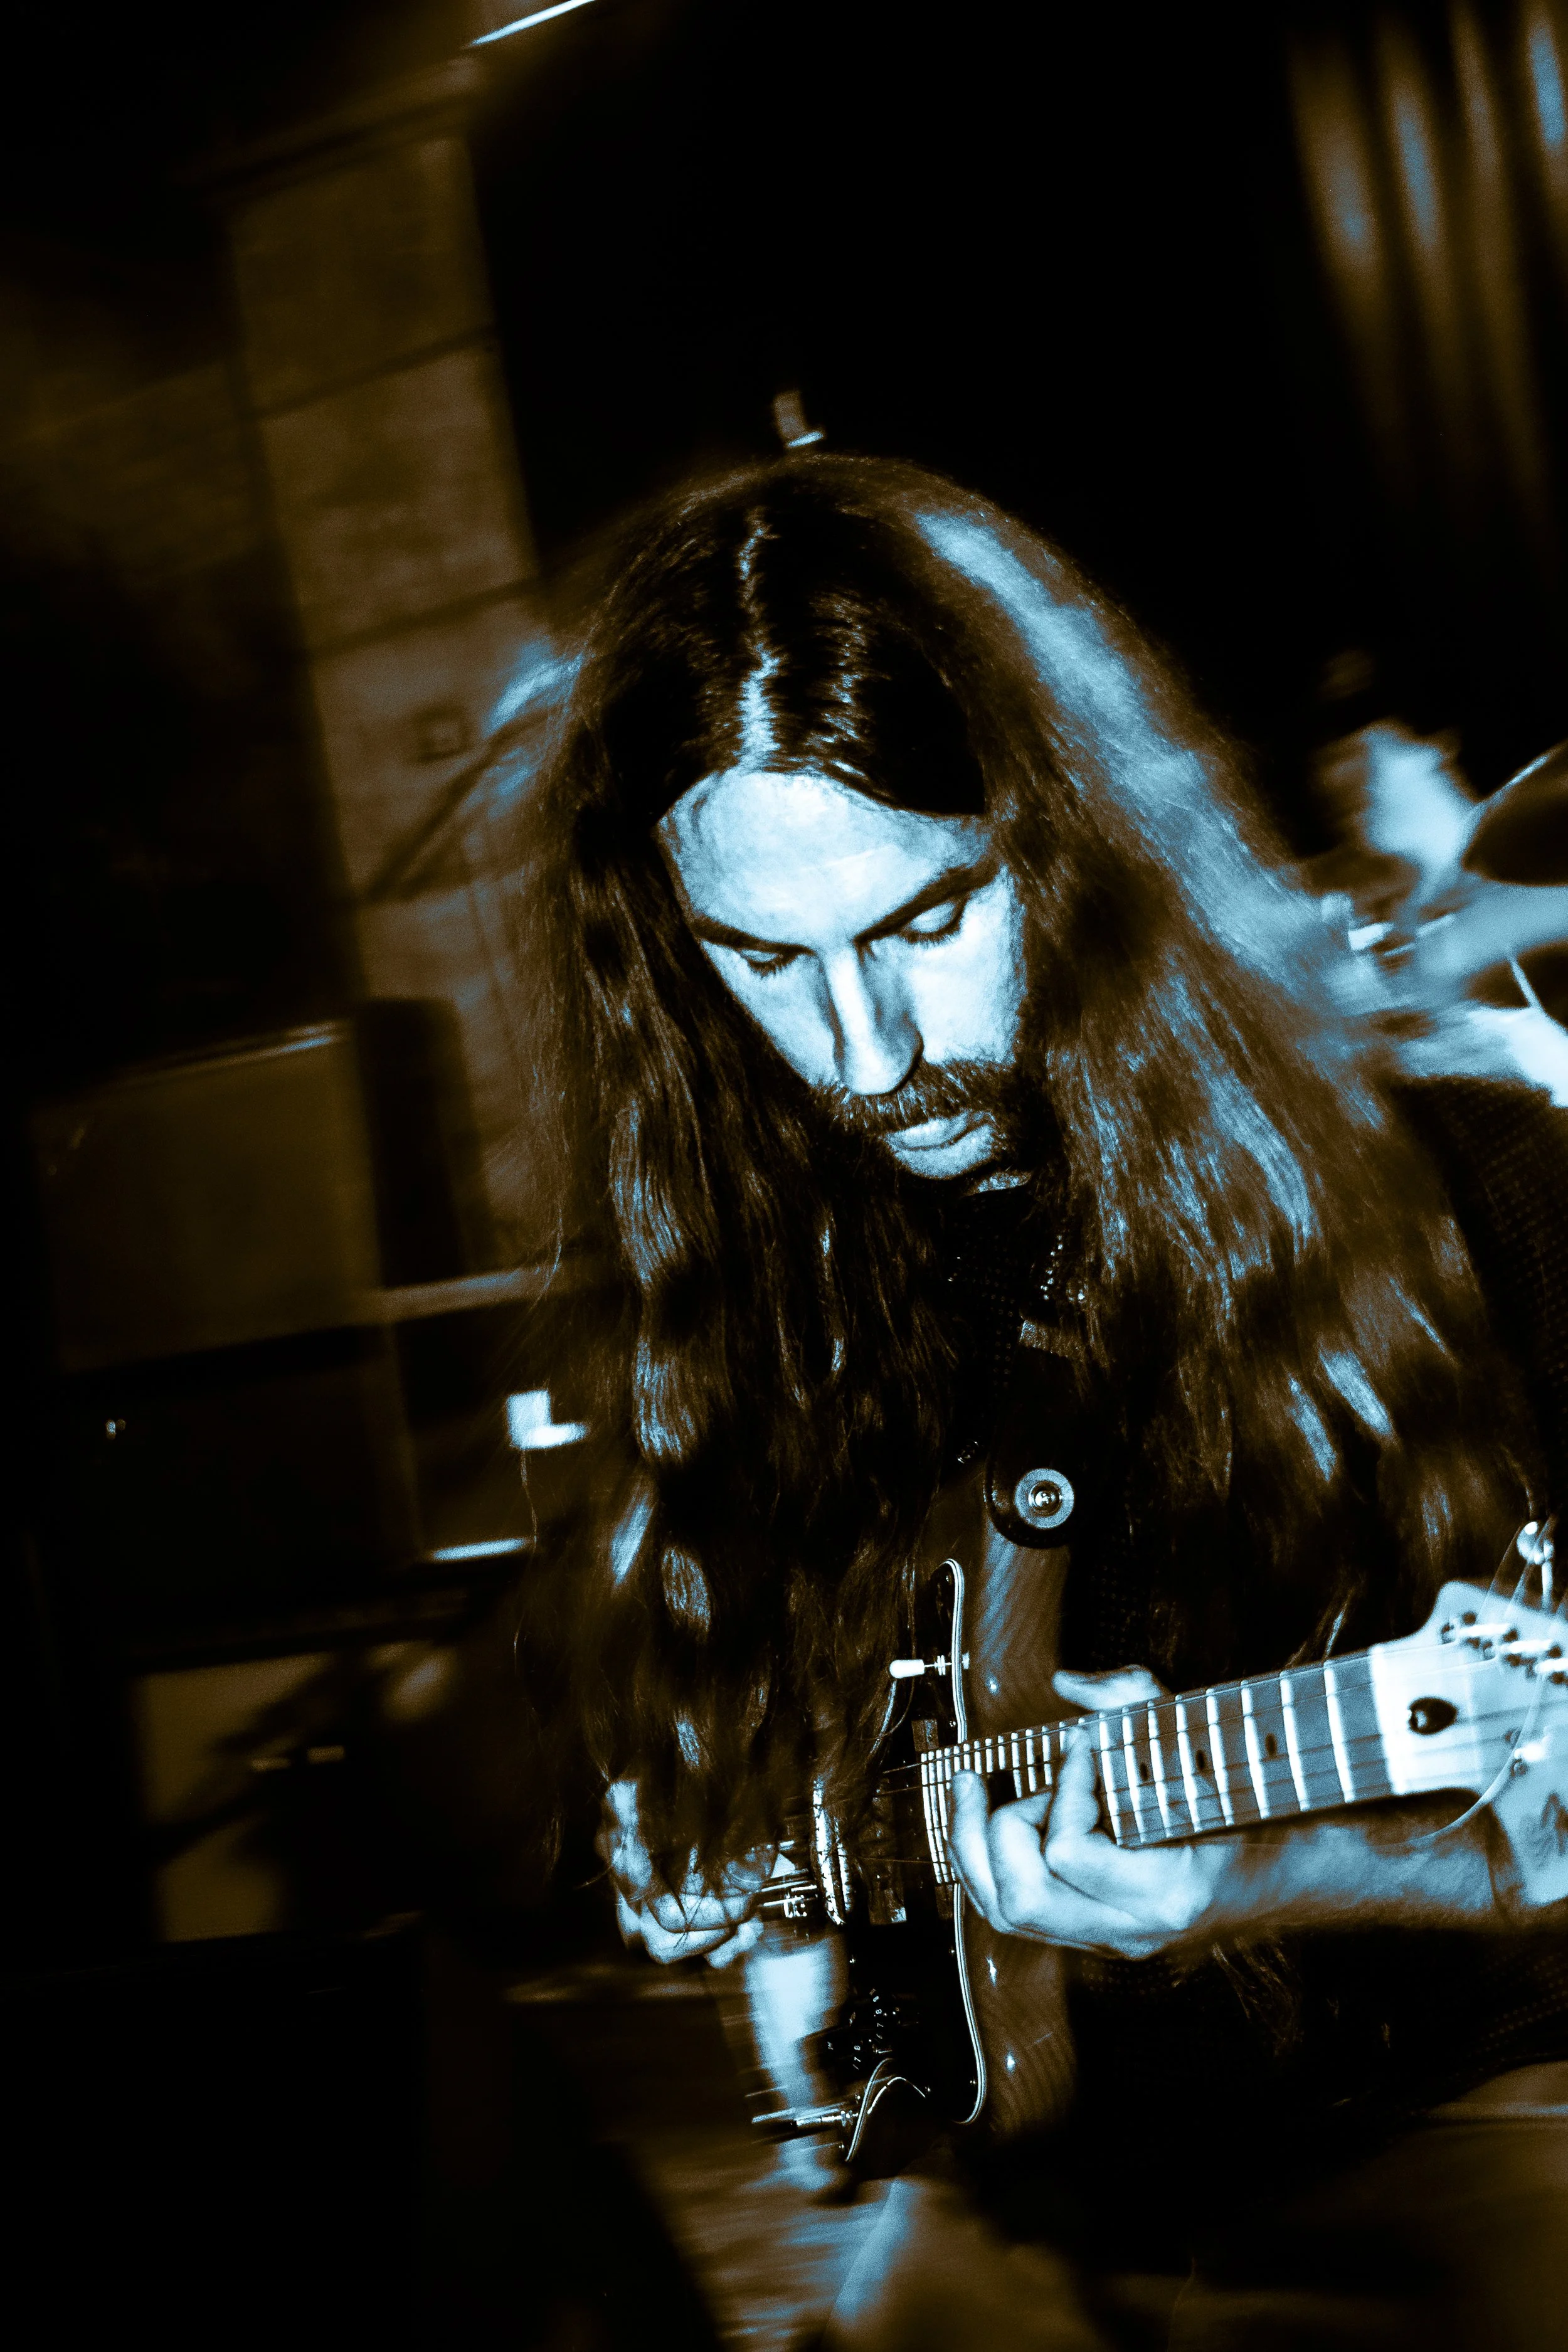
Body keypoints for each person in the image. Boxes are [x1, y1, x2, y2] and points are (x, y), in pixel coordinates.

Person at [515, 454, 1568, 2348]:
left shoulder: (1475, 1185)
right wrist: (744, 1843)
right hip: (1013, 2192)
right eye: (765, 963)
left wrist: (1261, 1864)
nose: (866, 1050)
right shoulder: (766, 1284)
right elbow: (824, 1780)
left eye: (925, 921)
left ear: (1072, 841)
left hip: (1452, 2134)